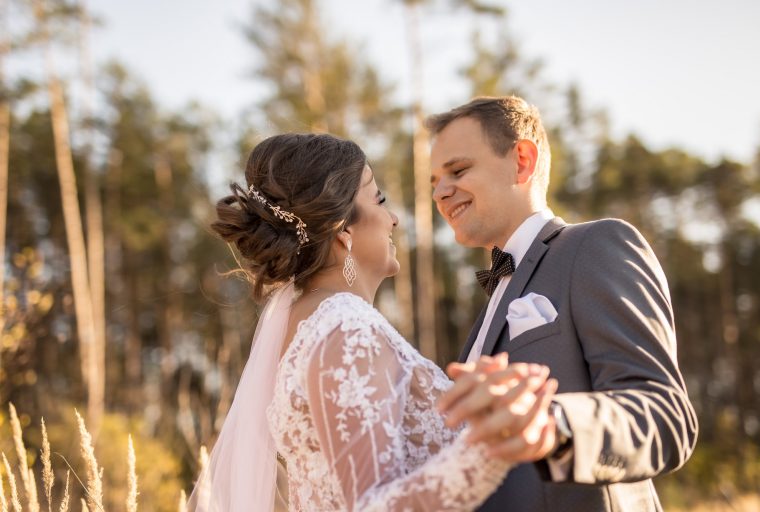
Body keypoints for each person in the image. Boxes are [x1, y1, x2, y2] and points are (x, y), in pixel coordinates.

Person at [188, 133, 559, 511]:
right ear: (343, 230)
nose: (393, 218)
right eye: (379, 199)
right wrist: (489, 449)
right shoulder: (345, 329)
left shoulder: (306, 322)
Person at [427, 96, 699, 511]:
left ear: (522, 161)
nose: (440, 193)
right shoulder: (491, 304)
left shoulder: (594, 246)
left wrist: (554, 424)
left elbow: (665, 415)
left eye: (458, 171)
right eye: (434, 182)